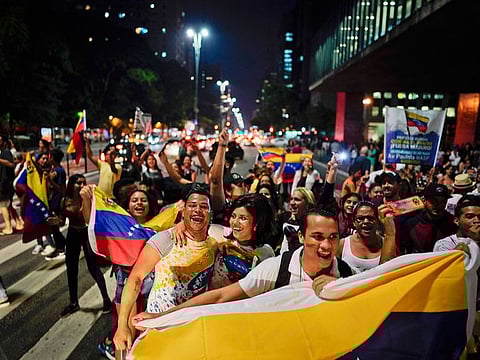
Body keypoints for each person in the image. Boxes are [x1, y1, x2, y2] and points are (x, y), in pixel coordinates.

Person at [132, 208, 356, 326]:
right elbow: (220, 297)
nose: (326, 245)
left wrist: (344, 289)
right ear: (301, 236)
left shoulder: (347, 274)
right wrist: (163, 316)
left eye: (332, 237)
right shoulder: (275, 269)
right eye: (317, 237)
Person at [113, 187, 219, 352]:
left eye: (204, 206)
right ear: (183, 212)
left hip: (193, 326)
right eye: (192, 205)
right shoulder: (165, 240)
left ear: (211, 214)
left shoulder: (214, 243)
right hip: (159, 327)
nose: (198, 210)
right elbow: (135, 279)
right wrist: (122, 326)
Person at [47, 175, 111, 317]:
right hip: (73, 234)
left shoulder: (89, 198)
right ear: (71, 184)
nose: (82, 185)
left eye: (83, 182)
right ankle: (74, 303)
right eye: (78, 183)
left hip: (86, 233)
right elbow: (63, 221)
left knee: (93, 268)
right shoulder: (65, 200)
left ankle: (106, 299)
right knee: (71, 269)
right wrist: (56, 221)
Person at [338, 201, 396, 272]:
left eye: (370, 218)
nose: (366, 221)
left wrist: (390, 233)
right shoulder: (342, 245)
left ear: (377, 221)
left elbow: (388, 272)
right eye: (360, 218)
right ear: (353, 222)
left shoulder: (387, 244)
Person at [403, 184, 457, 253]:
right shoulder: (412, 224)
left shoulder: (452, 222)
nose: (438, 205)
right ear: (424, 201)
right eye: (433, 201)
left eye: (442, 201)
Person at [279, 187, 316, 253]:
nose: (292, 203)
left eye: (297, 199)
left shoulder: (314, 225)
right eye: (291, 199)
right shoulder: (285, 218)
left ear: (308, 203)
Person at [0, 134, 15, 235]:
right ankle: (17, 222)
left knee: (3, 205)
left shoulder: (5, 152)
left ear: (4, 142)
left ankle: (8, 228)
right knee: (7, 205)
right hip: (4, 182)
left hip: (5, 183)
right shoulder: (3, 152)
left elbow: (11, 164)